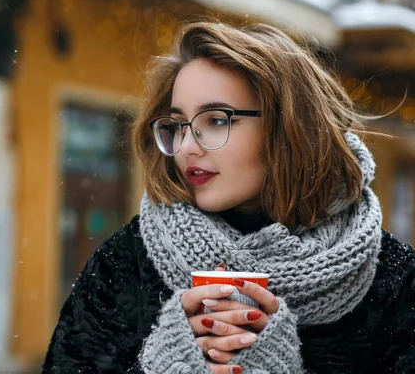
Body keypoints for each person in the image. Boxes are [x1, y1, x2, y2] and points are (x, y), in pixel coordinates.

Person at [42, 22, 415, 374]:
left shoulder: (392, 280)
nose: (185, 147)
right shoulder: (124, 264)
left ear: (287, 128)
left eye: (216, 120)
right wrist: (163, 364)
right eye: (177, 125)